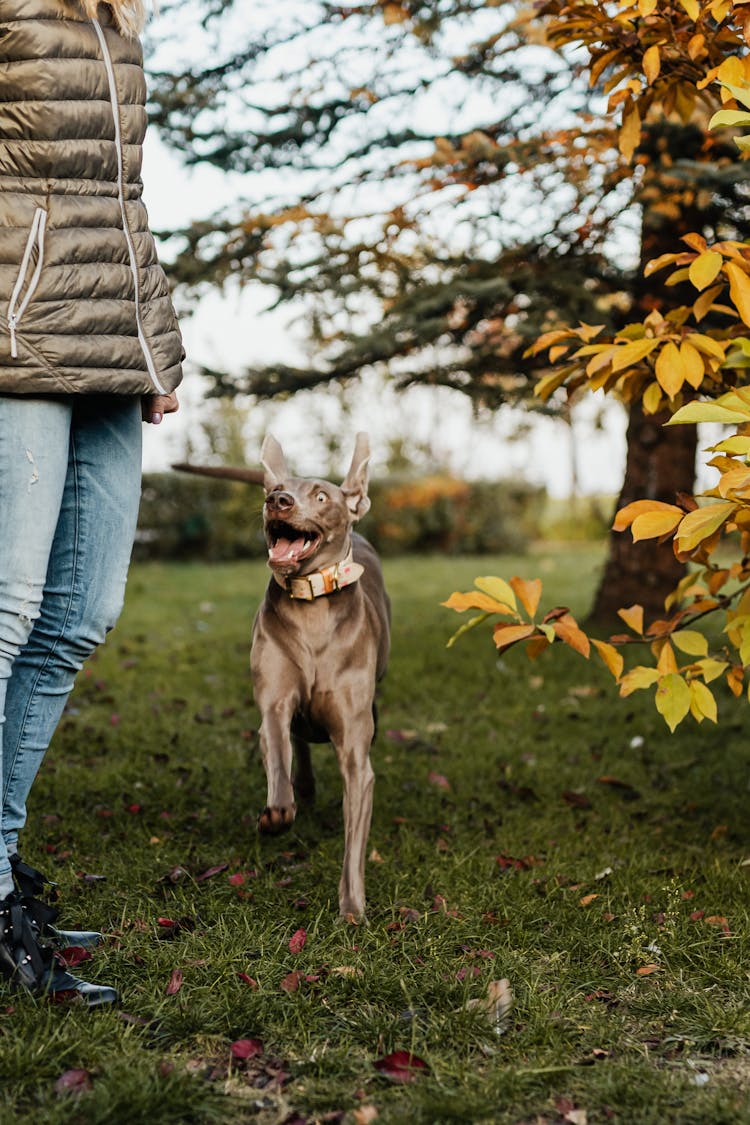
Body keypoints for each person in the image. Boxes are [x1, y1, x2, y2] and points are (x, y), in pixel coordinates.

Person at [0, 0, 183, 1005]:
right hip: (16, 339)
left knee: (78, 618)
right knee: (7, 613)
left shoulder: (120, 19)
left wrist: (158, 345)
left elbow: (124, 201)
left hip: (110, 346)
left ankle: (0, 869)